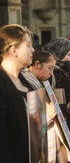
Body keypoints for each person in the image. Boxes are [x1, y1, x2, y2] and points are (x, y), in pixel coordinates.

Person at [21, 46, 70, 163]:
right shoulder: (25, 86)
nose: (51, 73)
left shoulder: (43, 84)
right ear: (37, 64)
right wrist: (48, 116)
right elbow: (27, 123)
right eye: (49, 68)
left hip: (50, 146)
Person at [0, 24, 35, 163]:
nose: (33, 50)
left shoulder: (25, 81)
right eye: (28, 45)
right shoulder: (2, 85)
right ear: (13, 50)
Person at [44, 37, 70, 160]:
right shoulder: (49, 76)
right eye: (69, 55)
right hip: (58, 136)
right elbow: (48, 105)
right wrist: (66, 108)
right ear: (59, 55)